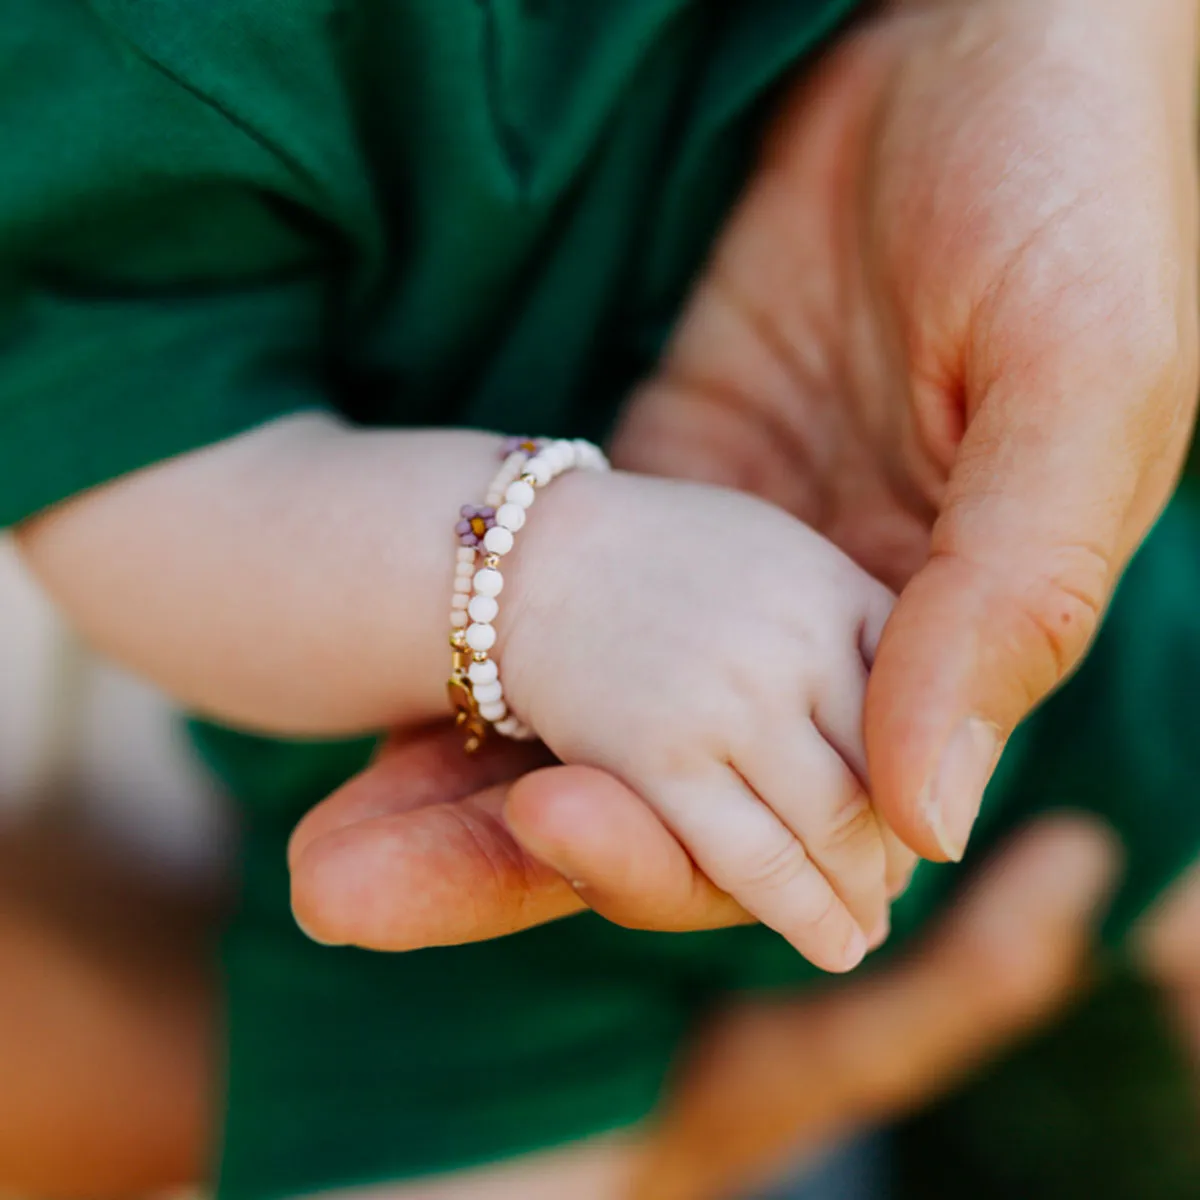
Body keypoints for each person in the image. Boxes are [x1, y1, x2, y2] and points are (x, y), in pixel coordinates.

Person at [3, 2, 1199, 1200]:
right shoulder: (112, 56)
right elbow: (127, 474)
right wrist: (540, 574)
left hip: (964, 523)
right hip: (474, 851)